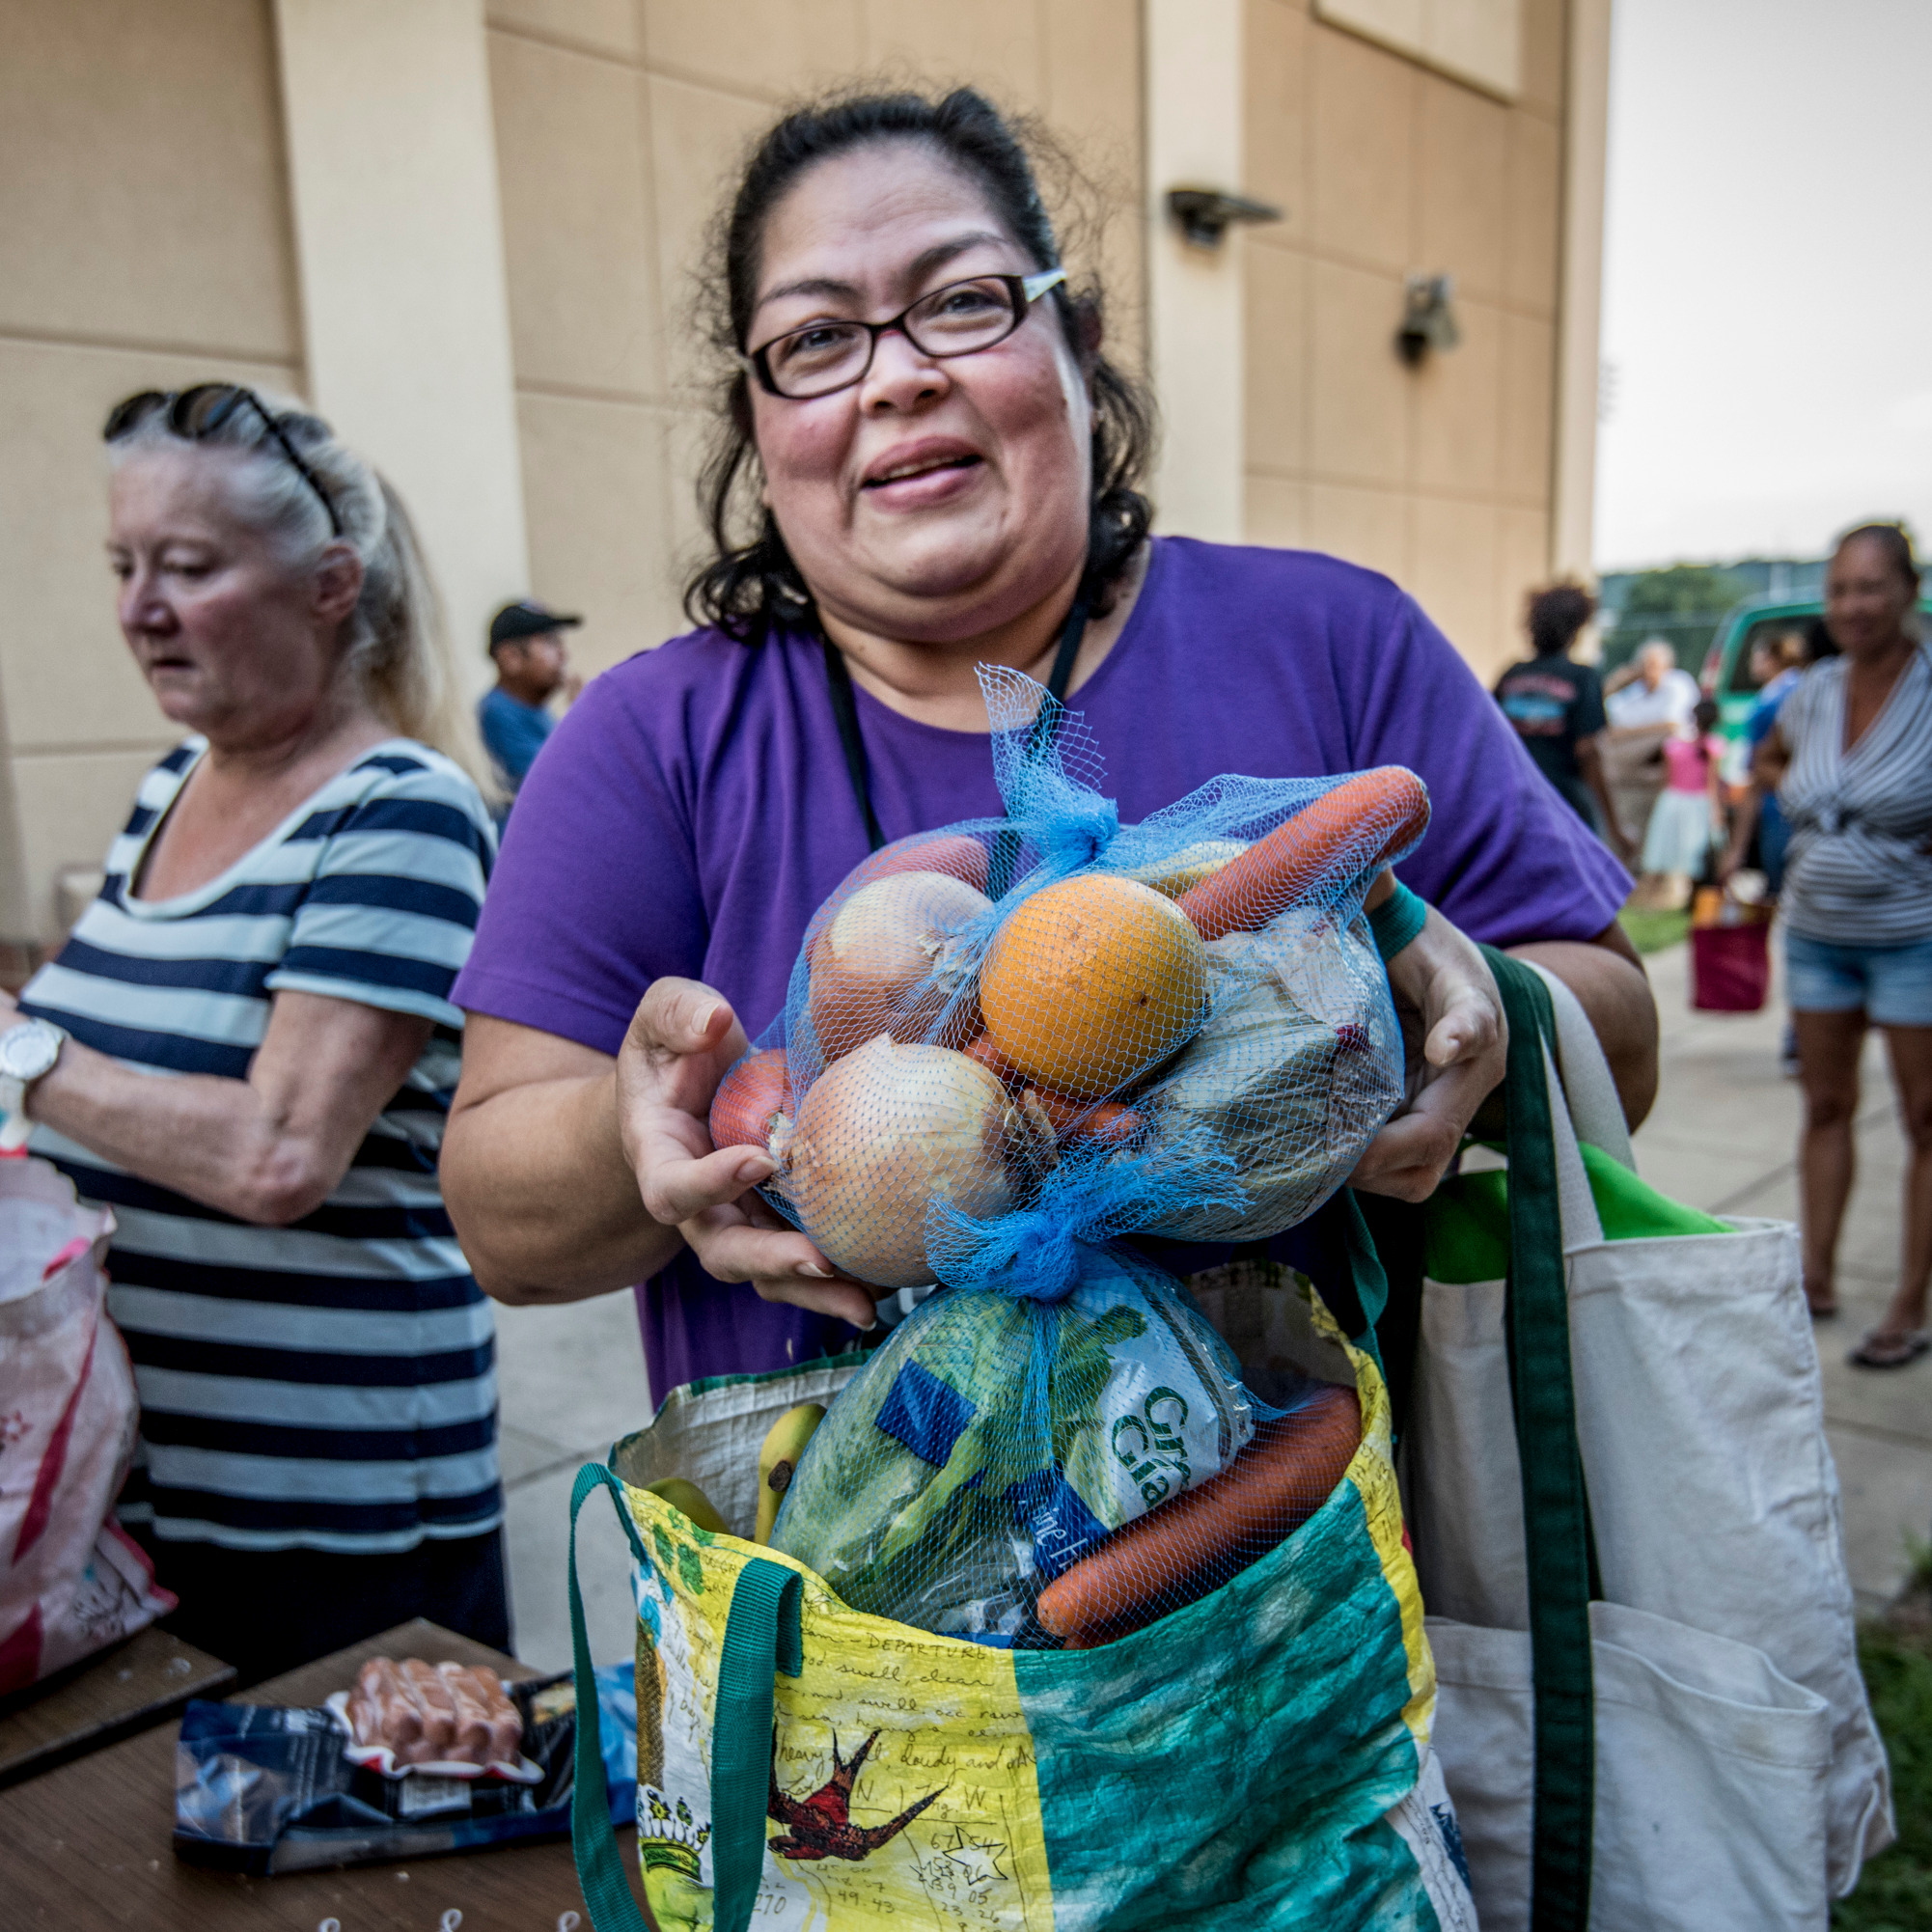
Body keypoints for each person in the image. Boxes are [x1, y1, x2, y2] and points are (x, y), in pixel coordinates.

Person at [438, 88, 1656, 1405]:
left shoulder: (1328, 638)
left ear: (1076, 339)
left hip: (1303, 1568)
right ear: (755, 421)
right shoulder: (647, 739)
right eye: (814, 338)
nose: (896, 374)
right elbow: (503, 1226)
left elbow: (1621, 1040)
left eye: (961, 301)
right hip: (839, 1581)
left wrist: (1449, 1004)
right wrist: (652, 1133)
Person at [8, 384, 505, 1680]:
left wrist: (21, 1054)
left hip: (333, 1528)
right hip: (147, 1495)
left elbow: (278, 1154)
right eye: (124, 564)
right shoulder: (172, 783)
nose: (138, 608)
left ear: (330, 582)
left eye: (190, 566)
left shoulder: (401, 810)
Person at [1752, 523, 1932, 1356]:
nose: (1853, 607)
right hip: (1817, 933)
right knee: (1825, 1107)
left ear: (1908, 589)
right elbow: (1770, 763)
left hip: (1913, 938)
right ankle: (1815, 1277)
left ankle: (1908, 1305)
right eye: (1839, 592)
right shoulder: (1812, 689)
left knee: (1924, 1121)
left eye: (1870, 588)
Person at [1493, 581, 1633, 858]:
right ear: (1576, 629)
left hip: (1512, 805)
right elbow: (1588, 752)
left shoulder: (1510, 677)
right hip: (1564, 806)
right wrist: (1614, 827)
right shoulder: (1583, 678)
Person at [479, 598, 581, 800]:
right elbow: (559, 783)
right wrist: (580, 720)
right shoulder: (496, 714)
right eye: (550, 642)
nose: (563, 654)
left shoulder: (537, 713)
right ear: (511, 658)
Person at [1634, 696, 1724, 909]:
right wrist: (1716, 811)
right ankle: (1679, 899)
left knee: (1666, 848)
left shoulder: (1676, 745)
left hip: (1674, 800)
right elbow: (1713, 784)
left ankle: (1654, 896)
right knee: (1691, 852)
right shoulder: (1707, 746)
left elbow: (1665, 779)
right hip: (1695, 802)